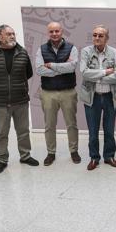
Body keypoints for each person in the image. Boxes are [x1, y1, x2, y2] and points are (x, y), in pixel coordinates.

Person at [0, 24, 39, 174]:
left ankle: (25, 155)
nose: (12, 36)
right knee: (1, 133)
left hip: (20, 100)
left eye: (13, 34)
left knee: (23, 131)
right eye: (8, 34)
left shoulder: (22, 52)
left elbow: (28, 73)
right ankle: (2, 159)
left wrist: (16, 85)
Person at [35, 22, 81, 166]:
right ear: (48, 33)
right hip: (48, 93)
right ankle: (51, 153)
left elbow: (72, 67)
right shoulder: (41, 49)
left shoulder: (71, 48)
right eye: (51, 31)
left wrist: (52, 65)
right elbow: (40, 70)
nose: (54, 34)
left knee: (71, 124)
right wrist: (63, 67)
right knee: (49, 125)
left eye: (57, 31)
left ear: (62, 31)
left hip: (68, 92)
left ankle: (74, 151)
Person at [79, 25, 116, 170]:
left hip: (110, 97)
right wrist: (105, 72)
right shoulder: (86, 51)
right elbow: (84, 73)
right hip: (92, 97)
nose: (97, 38)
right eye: (95, 35)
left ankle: (109, 156)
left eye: (100, 35)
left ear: (107, 38)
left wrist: (96, 76)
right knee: (93, 131)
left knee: (109, 130)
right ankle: (94, 158)